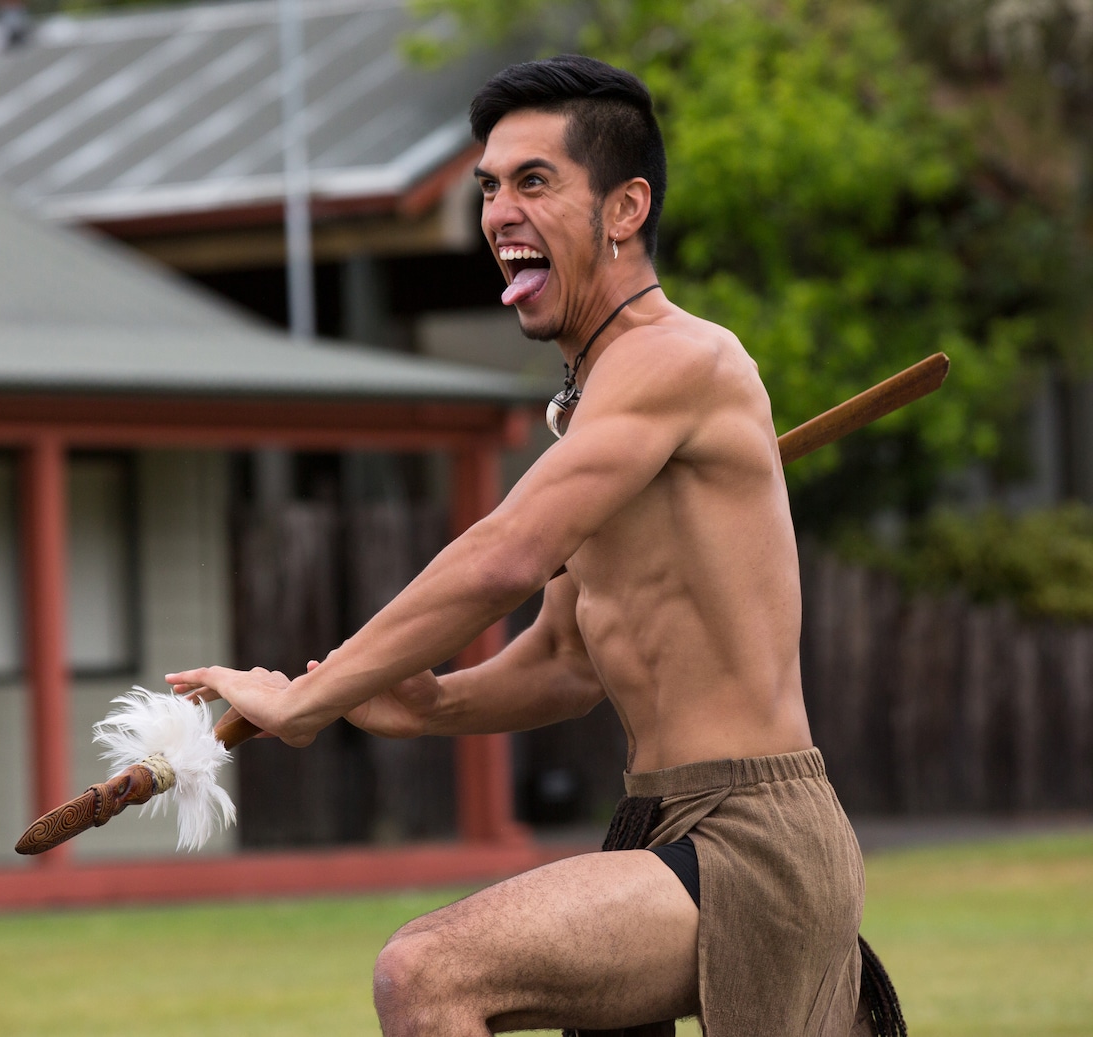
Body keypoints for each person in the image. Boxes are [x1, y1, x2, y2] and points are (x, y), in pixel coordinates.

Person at [169, 56, 902, 1037]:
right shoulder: (598, 401)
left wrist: (311, 695)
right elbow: (565, 657)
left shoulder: (677, 358)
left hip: (754, 836)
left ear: (625, 208)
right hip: (659, 823)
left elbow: (509, 550)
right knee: (432, 971)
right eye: (488, 187)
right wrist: (432, 702)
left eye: (534, 181)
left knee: (427, 970)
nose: (498, 212)